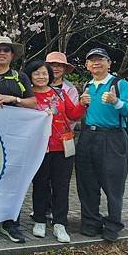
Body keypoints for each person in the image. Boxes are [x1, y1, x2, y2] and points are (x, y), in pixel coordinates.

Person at [75, 48, 128, 242]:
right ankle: (90, 223)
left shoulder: (119, 84)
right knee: (86, 183)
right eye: (91, 60)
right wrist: (80, 102)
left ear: (109, 63)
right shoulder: (87, 86)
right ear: (87, 66)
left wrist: (116, 101)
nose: (96, 63)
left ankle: (113, 225)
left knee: (113, 185)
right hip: (87, 137)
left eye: (100, 59)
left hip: (112, 138)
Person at [0, 35, 36, 243]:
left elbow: (33, 102)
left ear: (12, 55)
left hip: (15, 138)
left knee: (12, 179)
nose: (2, 53)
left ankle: (11, 223)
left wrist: (14, 99)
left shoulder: (20, 77)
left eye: (6, 50)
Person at [25, 61, 87, 243]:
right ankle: (39, 220)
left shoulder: (59, 93)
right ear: (30, 76)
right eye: (36, 73)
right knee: (40, 184)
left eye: (44, 73)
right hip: (39, 148)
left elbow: (73, 115)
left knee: (61, 186)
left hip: (63, 147)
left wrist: (82, 104)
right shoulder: (28, 96)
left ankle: (60, 223)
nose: (41, 77)